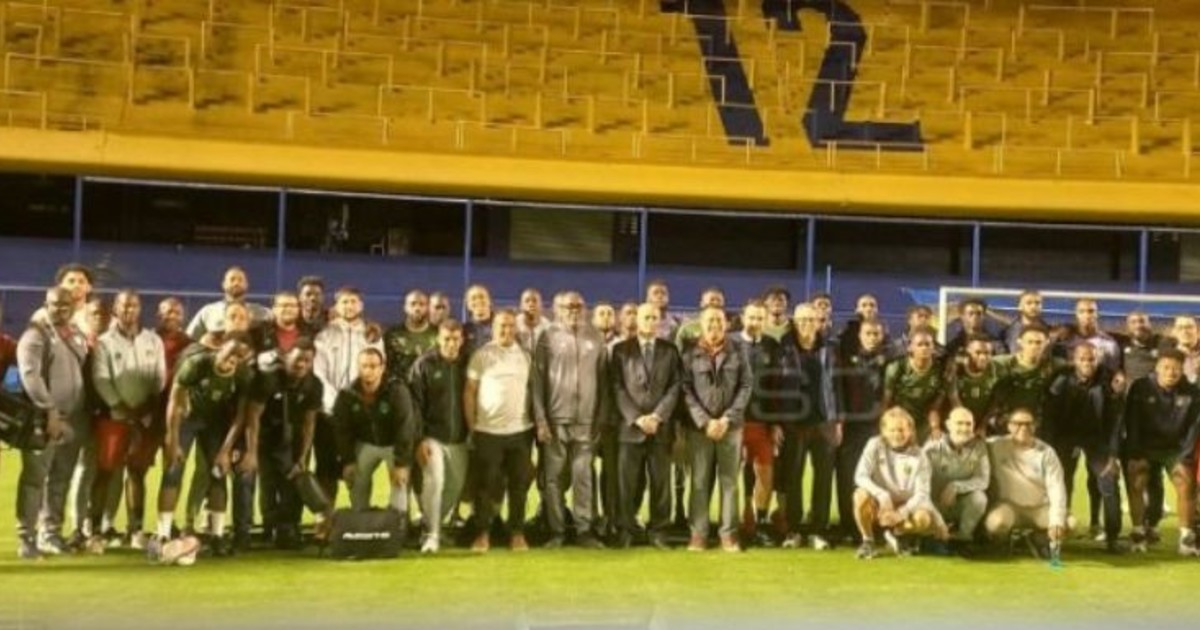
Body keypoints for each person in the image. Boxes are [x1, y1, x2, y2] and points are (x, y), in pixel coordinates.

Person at [156, 336, 254, 556]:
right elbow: (175, 401)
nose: (231, 360)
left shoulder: (243, 374)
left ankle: (217, 536)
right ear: (220, 348)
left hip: (216, 422)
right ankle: (162, 534)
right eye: (229, 354)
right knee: (172, 471)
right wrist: (173, 439)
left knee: (218, 473)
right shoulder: (196, 363)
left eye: (238, 358)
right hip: (188, 418)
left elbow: (240, 415)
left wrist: (225, 450)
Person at [87, 290, 166, 554]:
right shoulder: (105, 342)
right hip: (115, 418)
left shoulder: (153, 340)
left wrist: (145, 410)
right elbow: (101, 379)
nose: (128, 310)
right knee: (105, 472)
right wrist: (120, 407)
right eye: (123, 306)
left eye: (133, 305)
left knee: (136, 472)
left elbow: (159, 378)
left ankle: (136, 530)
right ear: (115, 310)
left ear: (140, 309)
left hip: (144, 418)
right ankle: (94, 532)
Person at [15, 287, 90, 559]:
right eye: (56, 304)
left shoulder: (75, 333)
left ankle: (50, 534)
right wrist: (49, 410)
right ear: (46, 304)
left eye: (66, 304)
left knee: (60, 478)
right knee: (35, 479)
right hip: (43, 419)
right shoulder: (36, 334)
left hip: (73, 418)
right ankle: (26, 537)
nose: (61, 309)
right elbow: (30, 376)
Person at [532, 291, 609, 549]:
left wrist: (600, 418)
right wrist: (541, 419)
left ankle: (584, 530)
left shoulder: (596, 337)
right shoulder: (547, 337)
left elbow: (603, 381)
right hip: (555, 421)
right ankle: (557, 531)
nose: (574, 310)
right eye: (568, 306)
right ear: (558, 309)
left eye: (578, 306)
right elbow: (537, 381)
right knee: (553, 478)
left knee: (583, 476)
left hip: (586, 421)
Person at [609, 303, 682, 550]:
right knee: (627, 484)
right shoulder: (620, 350)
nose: (651, 321)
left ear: (660, 321)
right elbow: (616, 386)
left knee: (661, 484)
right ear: (637, 320)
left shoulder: (670, 350)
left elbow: (675, 386)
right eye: (646, 317)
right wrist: (637, 418)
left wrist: (658, 416)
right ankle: (626, 530)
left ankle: (659, 532)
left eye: (654, 317)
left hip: (660, 429)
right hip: (630, 429)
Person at [681, 306, 752, 552]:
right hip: (699, 429)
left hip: (730, 428)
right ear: (700, 324)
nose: (714, 325)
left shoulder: (739, 350)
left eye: (719, 321)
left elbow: (746, 386)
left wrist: (726, 419)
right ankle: (698, 534)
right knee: (699, 481)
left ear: (727, 324)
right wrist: (705, 421)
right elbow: (685, 389)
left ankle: (728, 535)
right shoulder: (690, 353)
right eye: (710, 320)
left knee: (729, 482)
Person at [241, 339, 322, 549]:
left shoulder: (314, 385)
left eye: (307, 360)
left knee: (294, 483)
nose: (301, 364)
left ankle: (289, 528)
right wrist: (251, 451)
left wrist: (303, 456)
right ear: (286, 358)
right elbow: (253, 417)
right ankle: (269, 527)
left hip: (293, 439)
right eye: (297, 359)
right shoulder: (268, 380)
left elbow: (309, 423)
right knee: (268, 483)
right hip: (266, 437)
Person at [464, 310, 534, 553]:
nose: (507, 330)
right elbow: (469, 392)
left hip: (520, 432)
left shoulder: (525, 356)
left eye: (511, 326)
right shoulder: (481, 355)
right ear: (493, 329)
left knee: (519, 485)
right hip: (488, 432)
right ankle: (483, 534)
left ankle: (517, 534)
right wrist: (472, 426)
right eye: (502, 326)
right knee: (486, 486)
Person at [1042, 342, 1123, 552]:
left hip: (1097, 439)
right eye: (1082, 359)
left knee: (1108, 480)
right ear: (1074, 360)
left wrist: (1113, 454)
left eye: (1091, 359)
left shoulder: (1109, 381)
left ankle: (1113, 537)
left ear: (1098, 359)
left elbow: (1116, 420)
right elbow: (1049, 415)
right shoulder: (1061, 379)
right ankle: (1058, 530)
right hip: (1066, 437)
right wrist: (1049, 447)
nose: (1087, 363)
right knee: (1060, 481)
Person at [313, 286, 385, 522]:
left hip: (360, 415)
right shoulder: (324, 335)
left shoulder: (372, 335)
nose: (349, 306)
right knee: (325, 469)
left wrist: (357, 404)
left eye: (353, 301)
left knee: (359, 468)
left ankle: (359, 518)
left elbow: (376, 370)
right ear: (336, 306)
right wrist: (337, 405)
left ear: (361, 305)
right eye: (344, 302)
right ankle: (325, 521)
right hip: (329, 414)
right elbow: (319, 374)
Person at [1122, 348, 1200, 555]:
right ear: (1157, 367)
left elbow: (1194, 428)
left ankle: (1186, 538)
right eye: (1166, 367)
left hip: (1175, 448)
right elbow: (1132, 422)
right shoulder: (1140, 387)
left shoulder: (1193, 392)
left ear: (1182, 370)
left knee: (1185, 481)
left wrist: (1186, 457)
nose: (1171, 373)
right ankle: (1138, 533)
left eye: (1176, 368)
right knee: (1137, 475)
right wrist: (1135, 453)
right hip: (1146, 446)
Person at [776, 303, 836, 550]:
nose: (806, 324)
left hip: (823, 423)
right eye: (802, 319)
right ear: (794, 321)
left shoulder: (829, 349)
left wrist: (838, 420)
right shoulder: (783, 348)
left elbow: (836, 385)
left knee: (823, 478)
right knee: (793, 477)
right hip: (794, 423)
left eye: (811, 319)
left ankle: (818, 530)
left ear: (818, 322)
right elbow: (775, 386)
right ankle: (793, 530)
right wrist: (778, 421)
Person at [853, 407, 947, 559]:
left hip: (905, 506)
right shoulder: (874, 445)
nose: (897, 434)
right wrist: (882, 495)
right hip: (880, 505)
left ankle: (897, 534)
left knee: (923, 519)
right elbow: (860, 476)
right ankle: (868, 541)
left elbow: (922, 494)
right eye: (892, 430)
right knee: (860, 495)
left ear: (910, 431)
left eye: (901, 430)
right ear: (883, 431)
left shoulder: (920, 456)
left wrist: (900, 513)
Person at [409, 320, 470, 554]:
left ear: (462, 340)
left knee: (454, 488)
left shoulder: (468, 363)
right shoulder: (424, 364)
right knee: (435, 481)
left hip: (460, 438)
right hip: (432, 436)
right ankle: (431, 535)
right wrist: (419, 438)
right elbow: (414, 405)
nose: (451, 344)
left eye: (455, 339)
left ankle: (429, 525)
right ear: (438, 339)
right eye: (447, 339)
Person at [335, 348, 416, 522]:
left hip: (393, 445)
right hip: (366, 443)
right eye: (364, 366)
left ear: (382, 368)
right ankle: (361, 523)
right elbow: (342, 430)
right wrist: (348, 461)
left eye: (373, 366)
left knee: (399, 485)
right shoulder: (347, 394)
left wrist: (402, 463)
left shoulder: (397, 391)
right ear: (358, 367)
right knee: (356, 482)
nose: (368, 371)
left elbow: (406, 427)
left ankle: (398, 525)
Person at [832, 318, 889, 544]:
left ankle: (878, 524)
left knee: (880, 476)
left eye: (876, 333)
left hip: (879, 427)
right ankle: (849, 525)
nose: (872, 338)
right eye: (868, 333)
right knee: (848, 476)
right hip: (852, 427)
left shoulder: (890, 360)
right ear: (860, 335)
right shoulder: (847, 360)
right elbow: (838, 390)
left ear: (882, 335)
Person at [984, 409, 1068, 559]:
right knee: (996, 523)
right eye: (1018, 424)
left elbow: (1056, 487)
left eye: (1028, 424)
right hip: (1010, 507)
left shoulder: (1046, 452)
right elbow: (970, 443)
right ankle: (1001, 543)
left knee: (1069, 523)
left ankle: (1039, 538)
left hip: (1039, 508)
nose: (1023, 428)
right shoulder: (996, 445)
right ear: (1009, 426)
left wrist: (1057, 520)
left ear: (1035, 426)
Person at [736, 300, 783, 547]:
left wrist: (775, 423)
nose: (755, 322)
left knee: (765, 473)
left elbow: (776, 387)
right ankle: (743, 523)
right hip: (735, 422)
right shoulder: (732, 343)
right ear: (743, 317)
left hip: (763, 423)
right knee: (735, 473)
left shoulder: (771, 345)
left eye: (759, 318)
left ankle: (761, 522)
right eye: (751, 317)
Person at [923, 408, 989, 555]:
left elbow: (983, 480)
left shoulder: (979, 447)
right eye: (959, 423)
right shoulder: (932, 448)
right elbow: (920, 486)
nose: (964, 428)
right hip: (933, 504)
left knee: (979, 498)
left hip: (959, 505)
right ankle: (931, 536)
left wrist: (956, 486)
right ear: (948, 425)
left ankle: (963, 538)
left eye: (968, 424)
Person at [882, 327, 946, 443]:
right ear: (910, 348)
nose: (924, 348)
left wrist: (935, 428)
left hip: (926, 419)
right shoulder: (897, 367)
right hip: (900, 417)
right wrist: (885, 426)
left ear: (933, 348)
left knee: (936, 443)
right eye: (919, 344)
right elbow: (886, 401)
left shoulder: (940, 370)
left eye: (928, 344)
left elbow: (935, 407)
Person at [185, 266, 272, 339]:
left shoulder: (260, 312)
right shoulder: (208, 312)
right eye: (232, 279)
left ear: (246, 285)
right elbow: (189, 339)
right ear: (223, 284)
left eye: (240, 280)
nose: (236, 283)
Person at [948, 334, 1002, 435]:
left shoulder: (995, 371)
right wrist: (965, 424)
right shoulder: (956, 370)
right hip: (958, 424)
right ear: (968, 352)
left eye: (987, 353)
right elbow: (953, 397)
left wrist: (982, 426)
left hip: (983, 424)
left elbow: (995, 402)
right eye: (978, 353)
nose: (983, 357)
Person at [383, 290, 437, 382]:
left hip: (430, 387)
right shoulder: (392, 334)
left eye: (422, 304)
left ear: (428, 307)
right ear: (405, 307)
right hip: (399, 386)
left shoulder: (439, 334)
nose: (417, 308)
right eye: (413, 304)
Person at [675, 287, 726, 351]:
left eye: (718, 300)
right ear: (701, 303)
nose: (715, 303)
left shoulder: (730, 328)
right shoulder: (687, 328)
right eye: (712, 299)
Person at [1001, 290, 1049, 354]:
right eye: (1029, 303)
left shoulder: (1047, 329)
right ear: (1020, 306)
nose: (1033, 307)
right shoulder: (1012, 329)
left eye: (1037, 303)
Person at [515, 288, 550, 355]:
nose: (531, 304)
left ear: (541, 305)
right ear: (521, 306)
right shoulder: (514, 324)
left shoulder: (548, 327)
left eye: (535, 301)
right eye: (527, 301)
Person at [462, 284, 494, 355]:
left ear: (489, 301)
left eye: (481, 296)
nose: (478, 300)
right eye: (473, 298)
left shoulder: (502, 326)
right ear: (468, 305)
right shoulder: (463, 330)